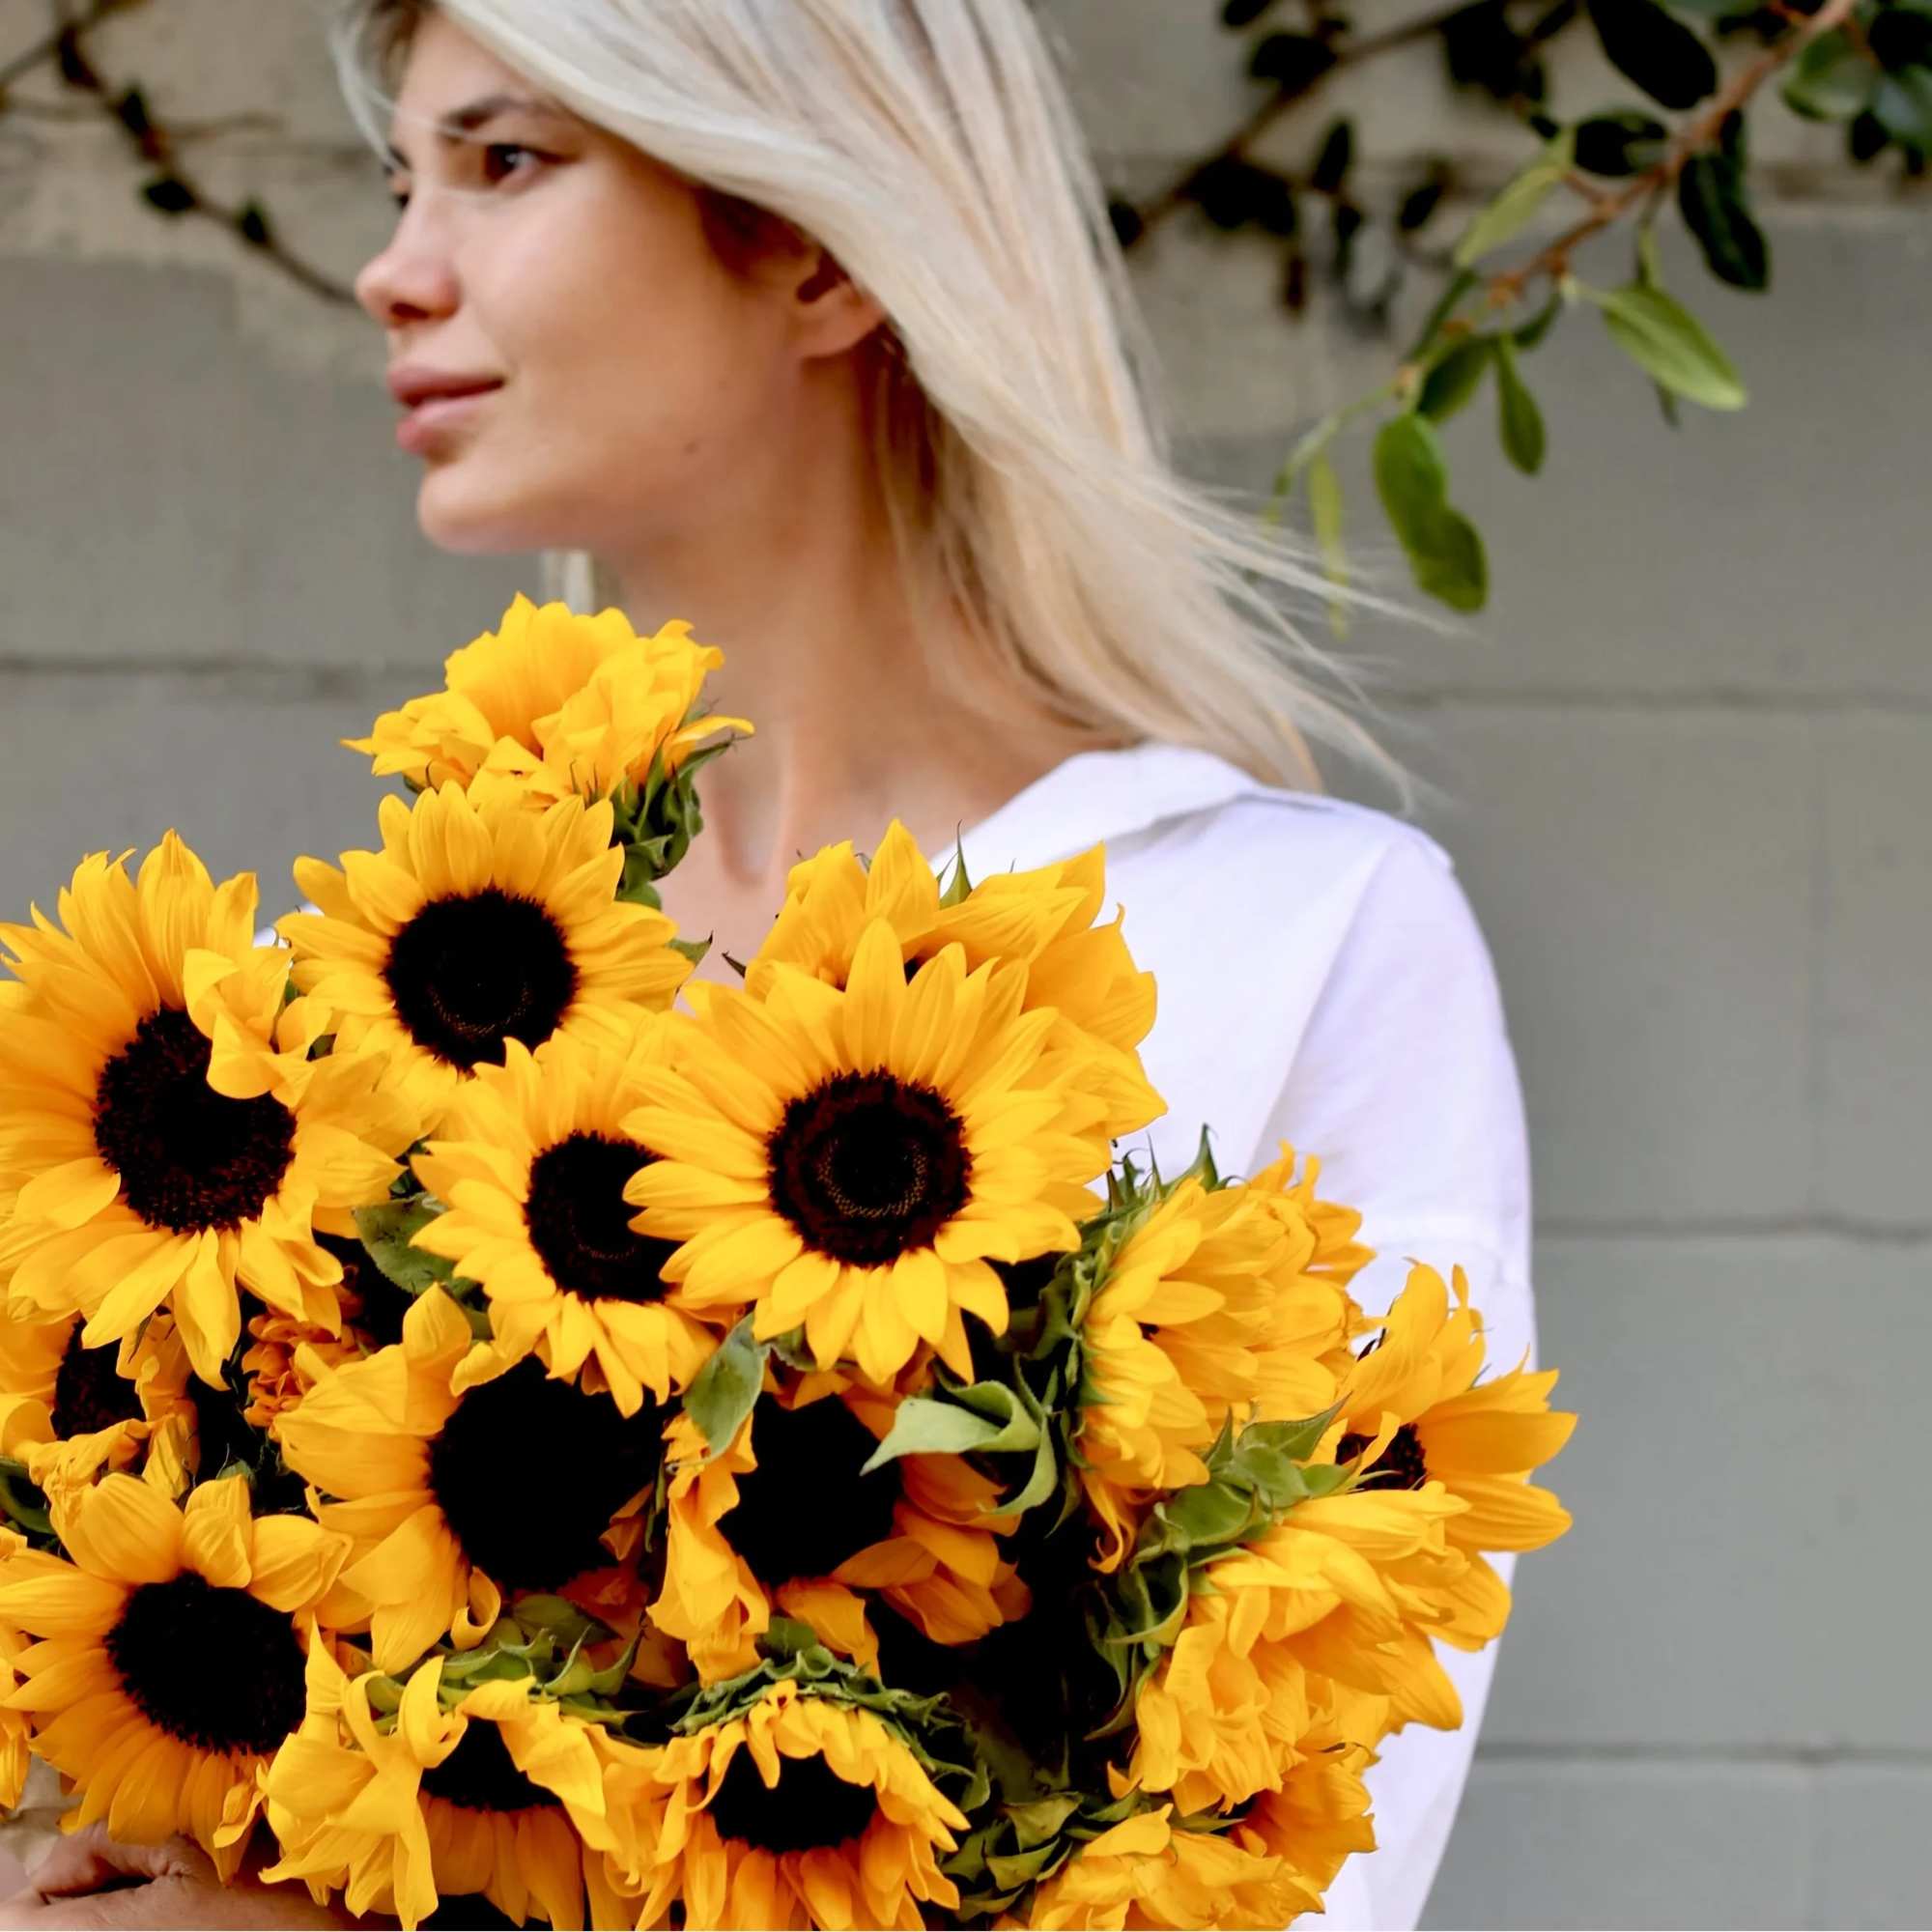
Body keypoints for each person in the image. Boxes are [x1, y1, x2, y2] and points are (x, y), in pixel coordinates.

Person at [1, 2, 1536, 1925]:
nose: (394, 272)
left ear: (814, 247)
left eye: (504, 162)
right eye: (404, 182)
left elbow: (1312, 1877)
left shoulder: (1294, 940)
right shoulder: (365, 1000)